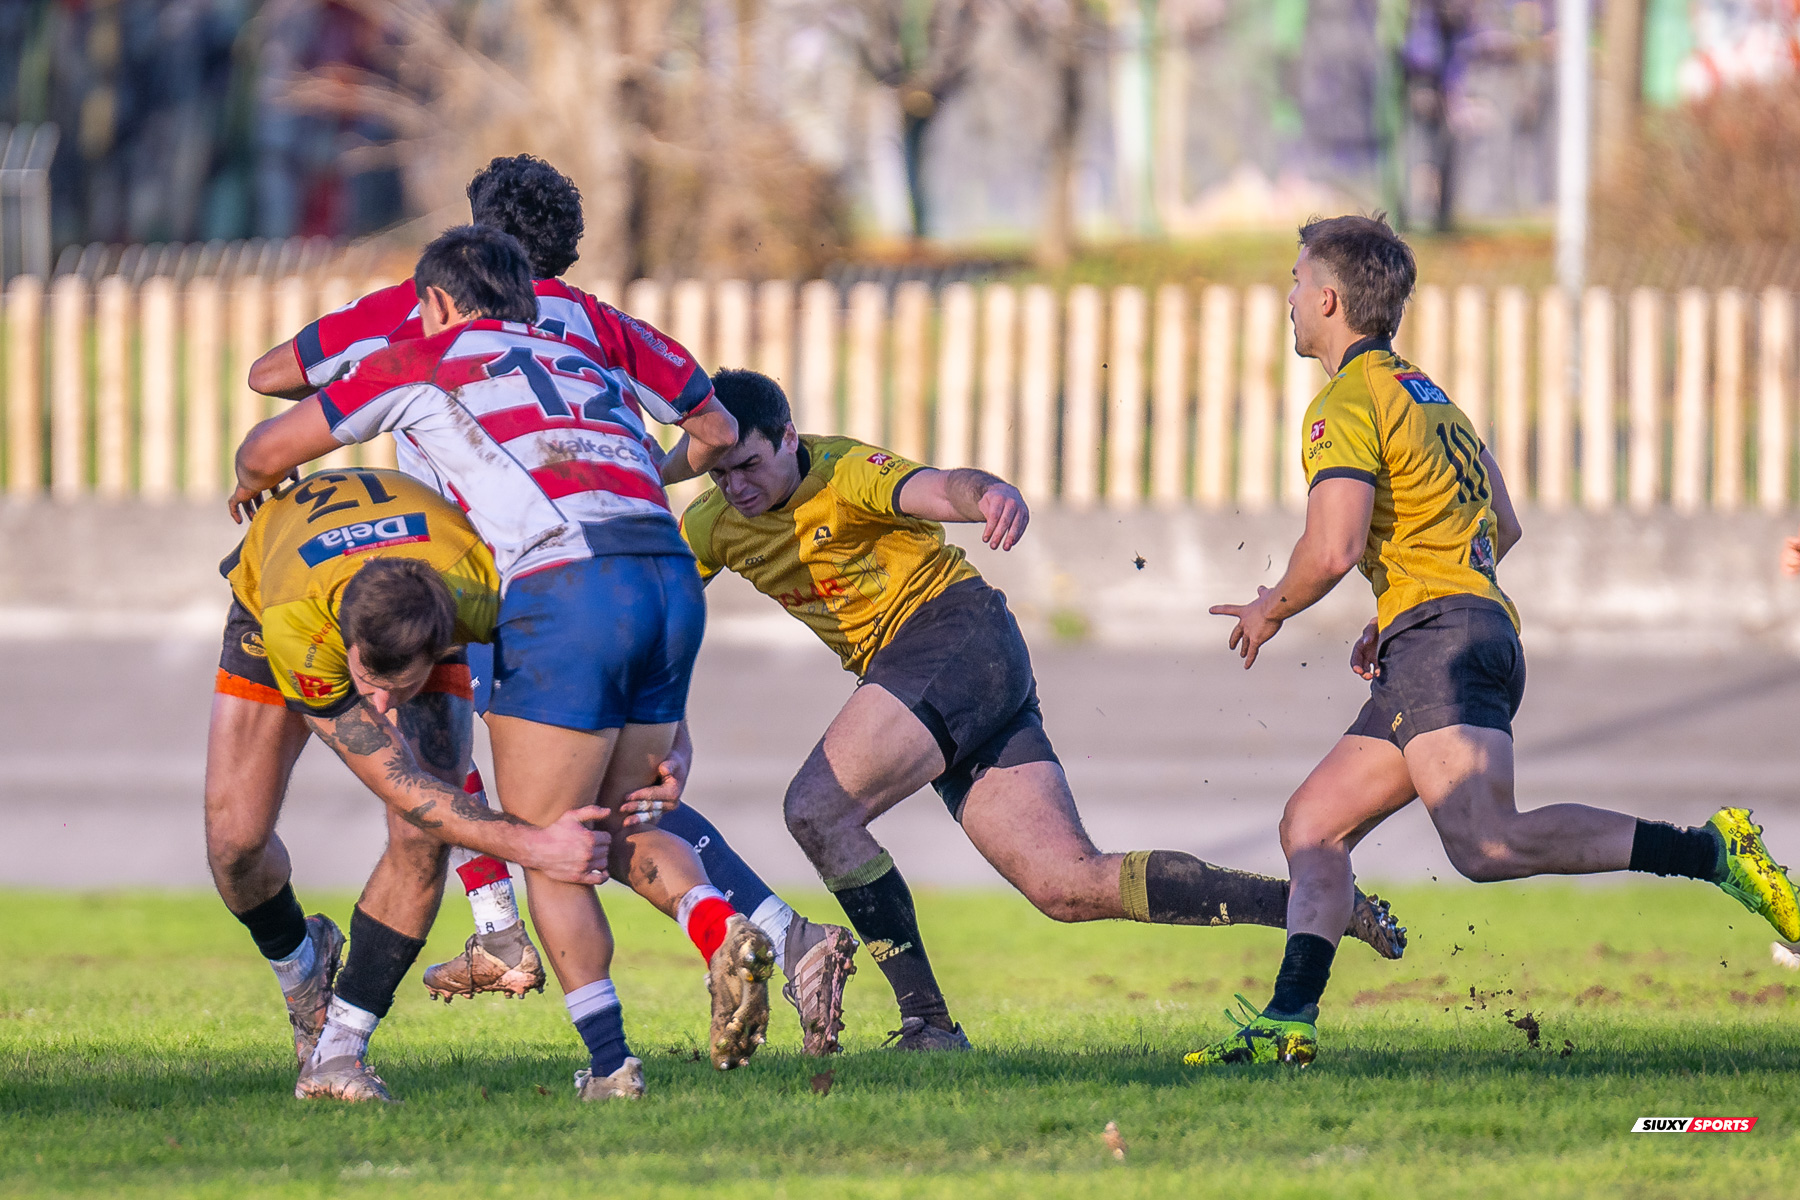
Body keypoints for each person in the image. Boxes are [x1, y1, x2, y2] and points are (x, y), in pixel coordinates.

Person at [247, 154, 858, 1056]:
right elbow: (715, 426)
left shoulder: (421, 318)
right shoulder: (595, 326)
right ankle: (770, 927)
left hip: (495, 578)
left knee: (500, 796)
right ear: (565, 253)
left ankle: (512, 958)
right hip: (641, 568)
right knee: (612, 803)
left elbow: (270, 378)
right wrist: (622, 477)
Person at [1191, 214, 1800, 1068]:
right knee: (1314, 824)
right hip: (1454, 629)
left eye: (1296, 282)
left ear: (1327, 299)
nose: (1288, 298)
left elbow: (1330, 548)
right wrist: (1398, 606)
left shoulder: (1345, 402)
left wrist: (1270, 608)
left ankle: (1711, 852)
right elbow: (1500, 526)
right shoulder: (1432, 397)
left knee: (1487, 843)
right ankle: (1288, 1024)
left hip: (1441, 639)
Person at [678, 368, 1407, 1050]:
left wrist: (988, 493)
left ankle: (926, 1023)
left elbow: (936, 487)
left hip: (951, 636)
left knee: (818, 807)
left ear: (789, 438)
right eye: (719, 472)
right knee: (1068, 884)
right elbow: (656, 594)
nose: (736, 485)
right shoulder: (713, 524)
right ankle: (1316, 904)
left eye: (749, 465)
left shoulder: (841, 470)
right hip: (942, 673)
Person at [210, 466, 612, 1102]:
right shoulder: (303, 625)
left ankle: (338, 1054)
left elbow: (604, 650)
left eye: (394, 686)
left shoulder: (481, 590)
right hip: (282, 595)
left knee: (420, 839)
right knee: (234, 845)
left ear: (448, 647)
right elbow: (400, 785)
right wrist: (534, 845)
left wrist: (666, 734)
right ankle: (299, 963)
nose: (373, 700)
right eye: (365, 678)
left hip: (423, 582)